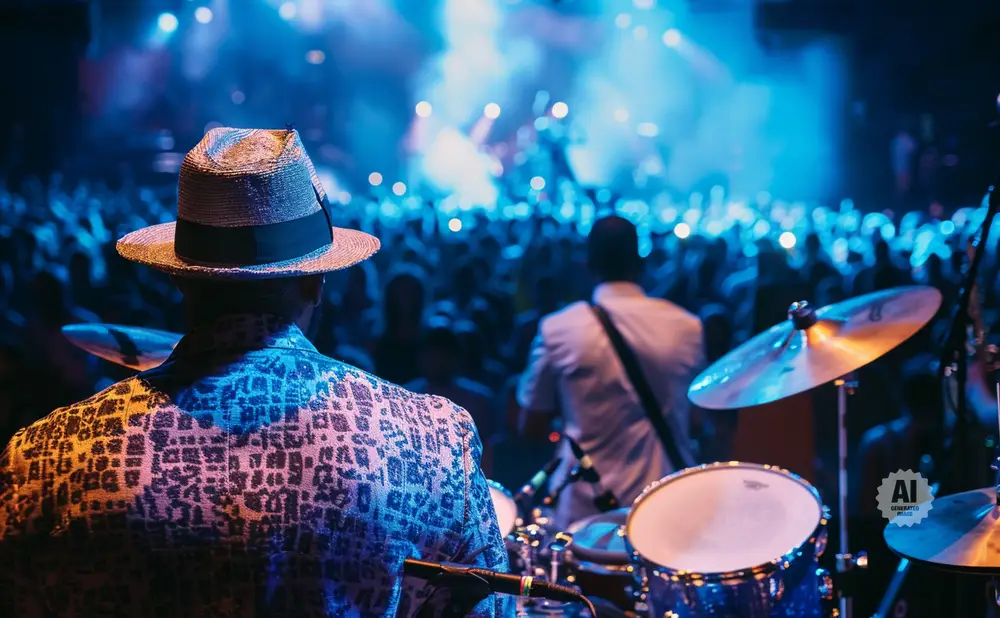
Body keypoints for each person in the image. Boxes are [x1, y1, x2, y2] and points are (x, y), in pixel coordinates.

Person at [0, 128, 511, 618]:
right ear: (317, 282)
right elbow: (487, 608)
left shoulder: (46, 454)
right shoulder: (429, 440)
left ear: (179, 279)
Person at [517, 215, 705, 528]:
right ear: (641, 262)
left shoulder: (558, 329)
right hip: (665, 504)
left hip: (583, 512)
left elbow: (530, 425)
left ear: (588, 263)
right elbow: (696, 421)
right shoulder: (687, 328)